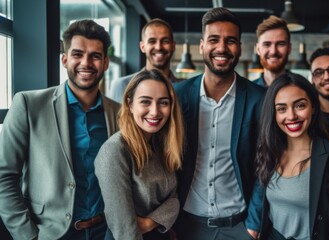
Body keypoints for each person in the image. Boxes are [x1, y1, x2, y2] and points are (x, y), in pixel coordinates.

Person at [0, 19, 120, 239]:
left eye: (95, 56)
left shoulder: (120, 113)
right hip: (50, 233)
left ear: (105, 63)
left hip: (106, 232)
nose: (86, 62)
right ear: (65, 60)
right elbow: (4, 175)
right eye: (77, 54)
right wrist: (27, 236)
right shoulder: (28, 105)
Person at [173, 7, 266, 240]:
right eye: (214, 40)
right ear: (202, 45)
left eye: (230, 41)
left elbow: (266, 164)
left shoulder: (259, 99)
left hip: (239, 227)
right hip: (186, 226)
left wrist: (253, 223)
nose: (222, 48)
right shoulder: (177, 96)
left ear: (240, 48)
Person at [246, 74, 329, 240]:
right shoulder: (270, 151)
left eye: (299, 106)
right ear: (274, 114)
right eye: (282, 109)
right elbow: (260, 195)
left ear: (313, 107)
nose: (291, 116)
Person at [94, 69, 183, 240]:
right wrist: (162, 216)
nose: (155, 111)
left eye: (163, 102)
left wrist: (150, 222)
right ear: (130, 104)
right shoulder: (114, 150)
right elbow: (124, 230)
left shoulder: (161, 144)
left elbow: (174, 200)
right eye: (145, 102)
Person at [109, 18, 179, 103]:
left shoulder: (185, 88)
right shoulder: (122, 86)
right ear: (142, 47)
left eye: (165, 41)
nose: (158, 47)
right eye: (152, 41)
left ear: (173, 46)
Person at [253, 15, 298, 87]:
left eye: (280, 44)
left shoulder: (301, 89)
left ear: (289, 48)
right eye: (267, 44)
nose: (273, 51)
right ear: (258, 49)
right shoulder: (248, 92)